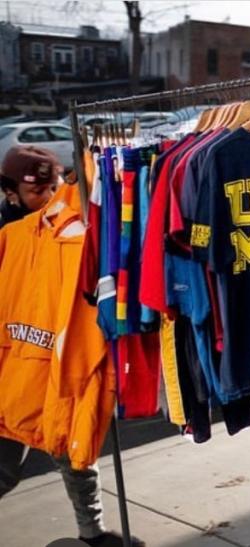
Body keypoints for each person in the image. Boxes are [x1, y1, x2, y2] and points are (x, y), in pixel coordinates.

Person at [0, 145, 145, 547]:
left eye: (50, 189)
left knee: (71, 451)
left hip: (52, 368)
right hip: (24, 370)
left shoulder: (74, 235)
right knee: (25, 465)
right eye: (32, 193)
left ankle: (93, 533)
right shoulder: (14, 235)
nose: (44, 200)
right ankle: (93, 533)